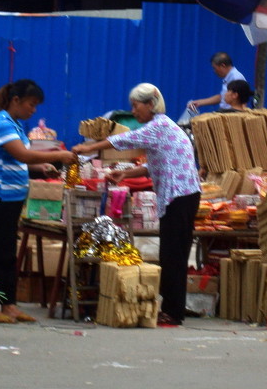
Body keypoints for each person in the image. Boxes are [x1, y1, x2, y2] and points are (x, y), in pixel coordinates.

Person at [73, 83, 201, 326]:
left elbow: (124, 139)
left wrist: (88, 147)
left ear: (150, 105)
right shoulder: (160, 129)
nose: (133, 111)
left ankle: (173, 312)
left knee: (173, 254)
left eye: (136, 105)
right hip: (181, 195)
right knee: (174, 252)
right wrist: (126, 175)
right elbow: (155, 164)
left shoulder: (159, 125)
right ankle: (174, 307)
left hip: (180, 195)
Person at [0, 79, 77, 324]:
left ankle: (9, 305)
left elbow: (19, 161)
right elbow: (21, 154)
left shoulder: (16, 124)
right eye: (31, 104)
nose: (33, 110)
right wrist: (57, 155)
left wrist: (40, 167)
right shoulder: (1, 123)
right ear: (16, 101)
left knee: (8, 254)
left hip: (12, 198)